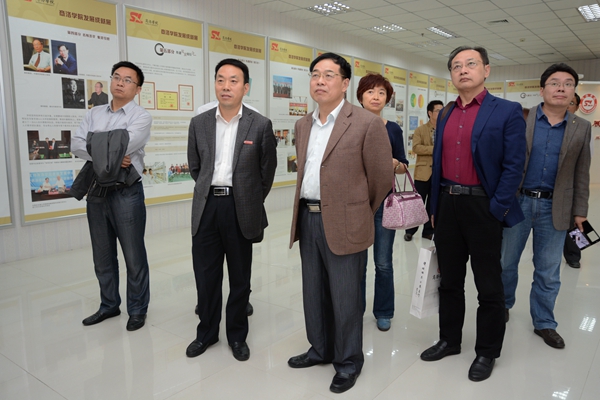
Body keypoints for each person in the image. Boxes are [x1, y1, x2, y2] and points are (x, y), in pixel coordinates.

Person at [287, 53, 393, 394]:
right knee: (313, 291)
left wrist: (357, 211)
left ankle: (348, 361)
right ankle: (320, 349)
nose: (320, 80)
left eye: (329, 75)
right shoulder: (303, 125)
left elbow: (381, 179)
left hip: (346, 222)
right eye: (315, 74)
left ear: (345, 83)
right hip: (308, 217)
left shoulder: (365, 123)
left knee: (346, 297)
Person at [419, 46, 526, 382]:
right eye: (456, 66)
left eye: (470, 64)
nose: (463, 70)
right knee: (449, 281)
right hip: (447, 205)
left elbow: (514, 165)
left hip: (484, 207)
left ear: (486, 70)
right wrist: (433, 208)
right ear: (451, 74)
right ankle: (449, 340)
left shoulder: (507, 111)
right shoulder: (446, 113)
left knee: (488, 285)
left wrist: (497, 209)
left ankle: (487, 351)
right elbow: (437, 165)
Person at [185, 59, 277, 362]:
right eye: (221, 80)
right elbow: (196, 167)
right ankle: (207, 333)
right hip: (207, 206)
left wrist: (249, 198)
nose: (226, 86)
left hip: (241, 207)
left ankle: (237, 336)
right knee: (205, 275)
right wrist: (210, 191)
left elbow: (266, 173)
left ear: (245, 87)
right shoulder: (199, 123)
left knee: (240, 278)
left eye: (234, 80)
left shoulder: (260, 124)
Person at [501, 64, 591, 349]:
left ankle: (544, 322)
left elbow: (582, 171)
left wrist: (581, 211)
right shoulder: (521, 119)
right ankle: (502, 305)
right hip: (518, 203)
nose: (561, 88)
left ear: (573, 92)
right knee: (505, 263)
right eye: (554, 83)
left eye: (568, 83)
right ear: (541, 90)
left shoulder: (581, 127)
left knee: (549, 270)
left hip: (556, 206)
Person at [72, 61, 152, 332]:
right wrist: (112, 151)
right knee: (102, 254)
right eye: (116, 77)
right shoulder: (94, 113)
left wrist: (97, 144)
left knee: (133, 254)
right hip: (96, 190)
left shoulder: (141, 116)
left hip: (126, 191)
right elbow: (76, 144)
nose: (120, 82)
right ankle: (108, 305)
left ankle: (137, 309)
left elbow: (127, 144)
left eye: (128, 80)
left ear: (137, 89)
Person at [355, 73, 408, 332]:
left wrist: (394, 164)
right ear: (360, 96)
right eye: (370, 92)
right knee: (356, 264)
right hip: (356, 205)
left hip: (385, 203)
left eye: (381, 93)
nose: (375, 97)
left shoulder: (393, 129)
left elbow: (403, 166)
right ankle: (355, 309)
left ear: (387, 98)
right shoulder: (350, 125)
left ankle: (384, 311)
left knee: (383, 262)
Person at [404, 100, 443, 242]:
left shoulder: (445, 129)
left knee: (433, 203)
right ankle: (410, 230)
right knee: (417, 203)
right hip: (423, 173)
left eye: (442, 110)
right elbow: (416, 148)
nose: (441, 113)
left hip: (439, 172)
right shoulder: (420, 130)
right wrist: (435, 149)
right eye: (438, 110)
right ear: (430, 113)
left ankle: (428, 231)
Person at [563, 92, 582, 268]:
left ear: (577, 107)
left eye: (571, 103)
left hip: (570, 184)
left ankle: (574, 255)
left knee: (574, 221)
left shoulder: (583, 129)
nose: (568, 106)